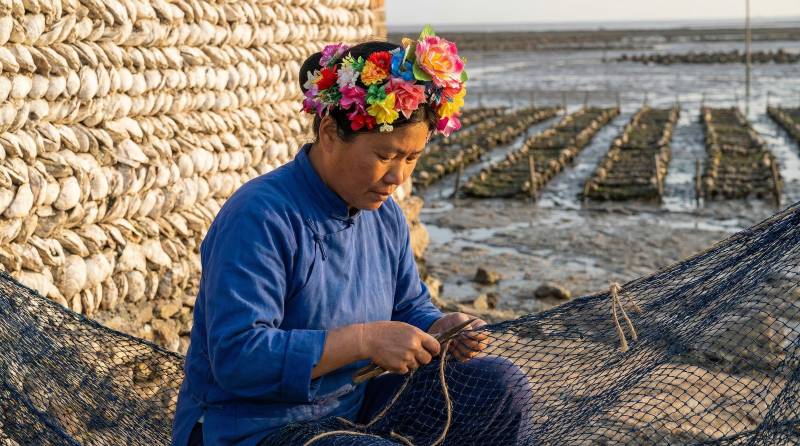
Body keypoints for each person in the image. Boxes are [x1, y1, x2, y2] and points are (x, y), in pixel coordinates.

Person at [172, 28, 530, 446]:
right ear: (328, 133)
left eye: (411, 158)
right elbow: (238, 357)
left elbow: (408, 304)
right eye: (384, 156)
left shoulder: (385, 216)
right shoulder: (260, 216)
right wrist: (365, 340)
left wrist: (439, 325)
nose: (398, 177)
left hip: (350, 408)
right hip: (253, 428)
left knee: (501, 387)